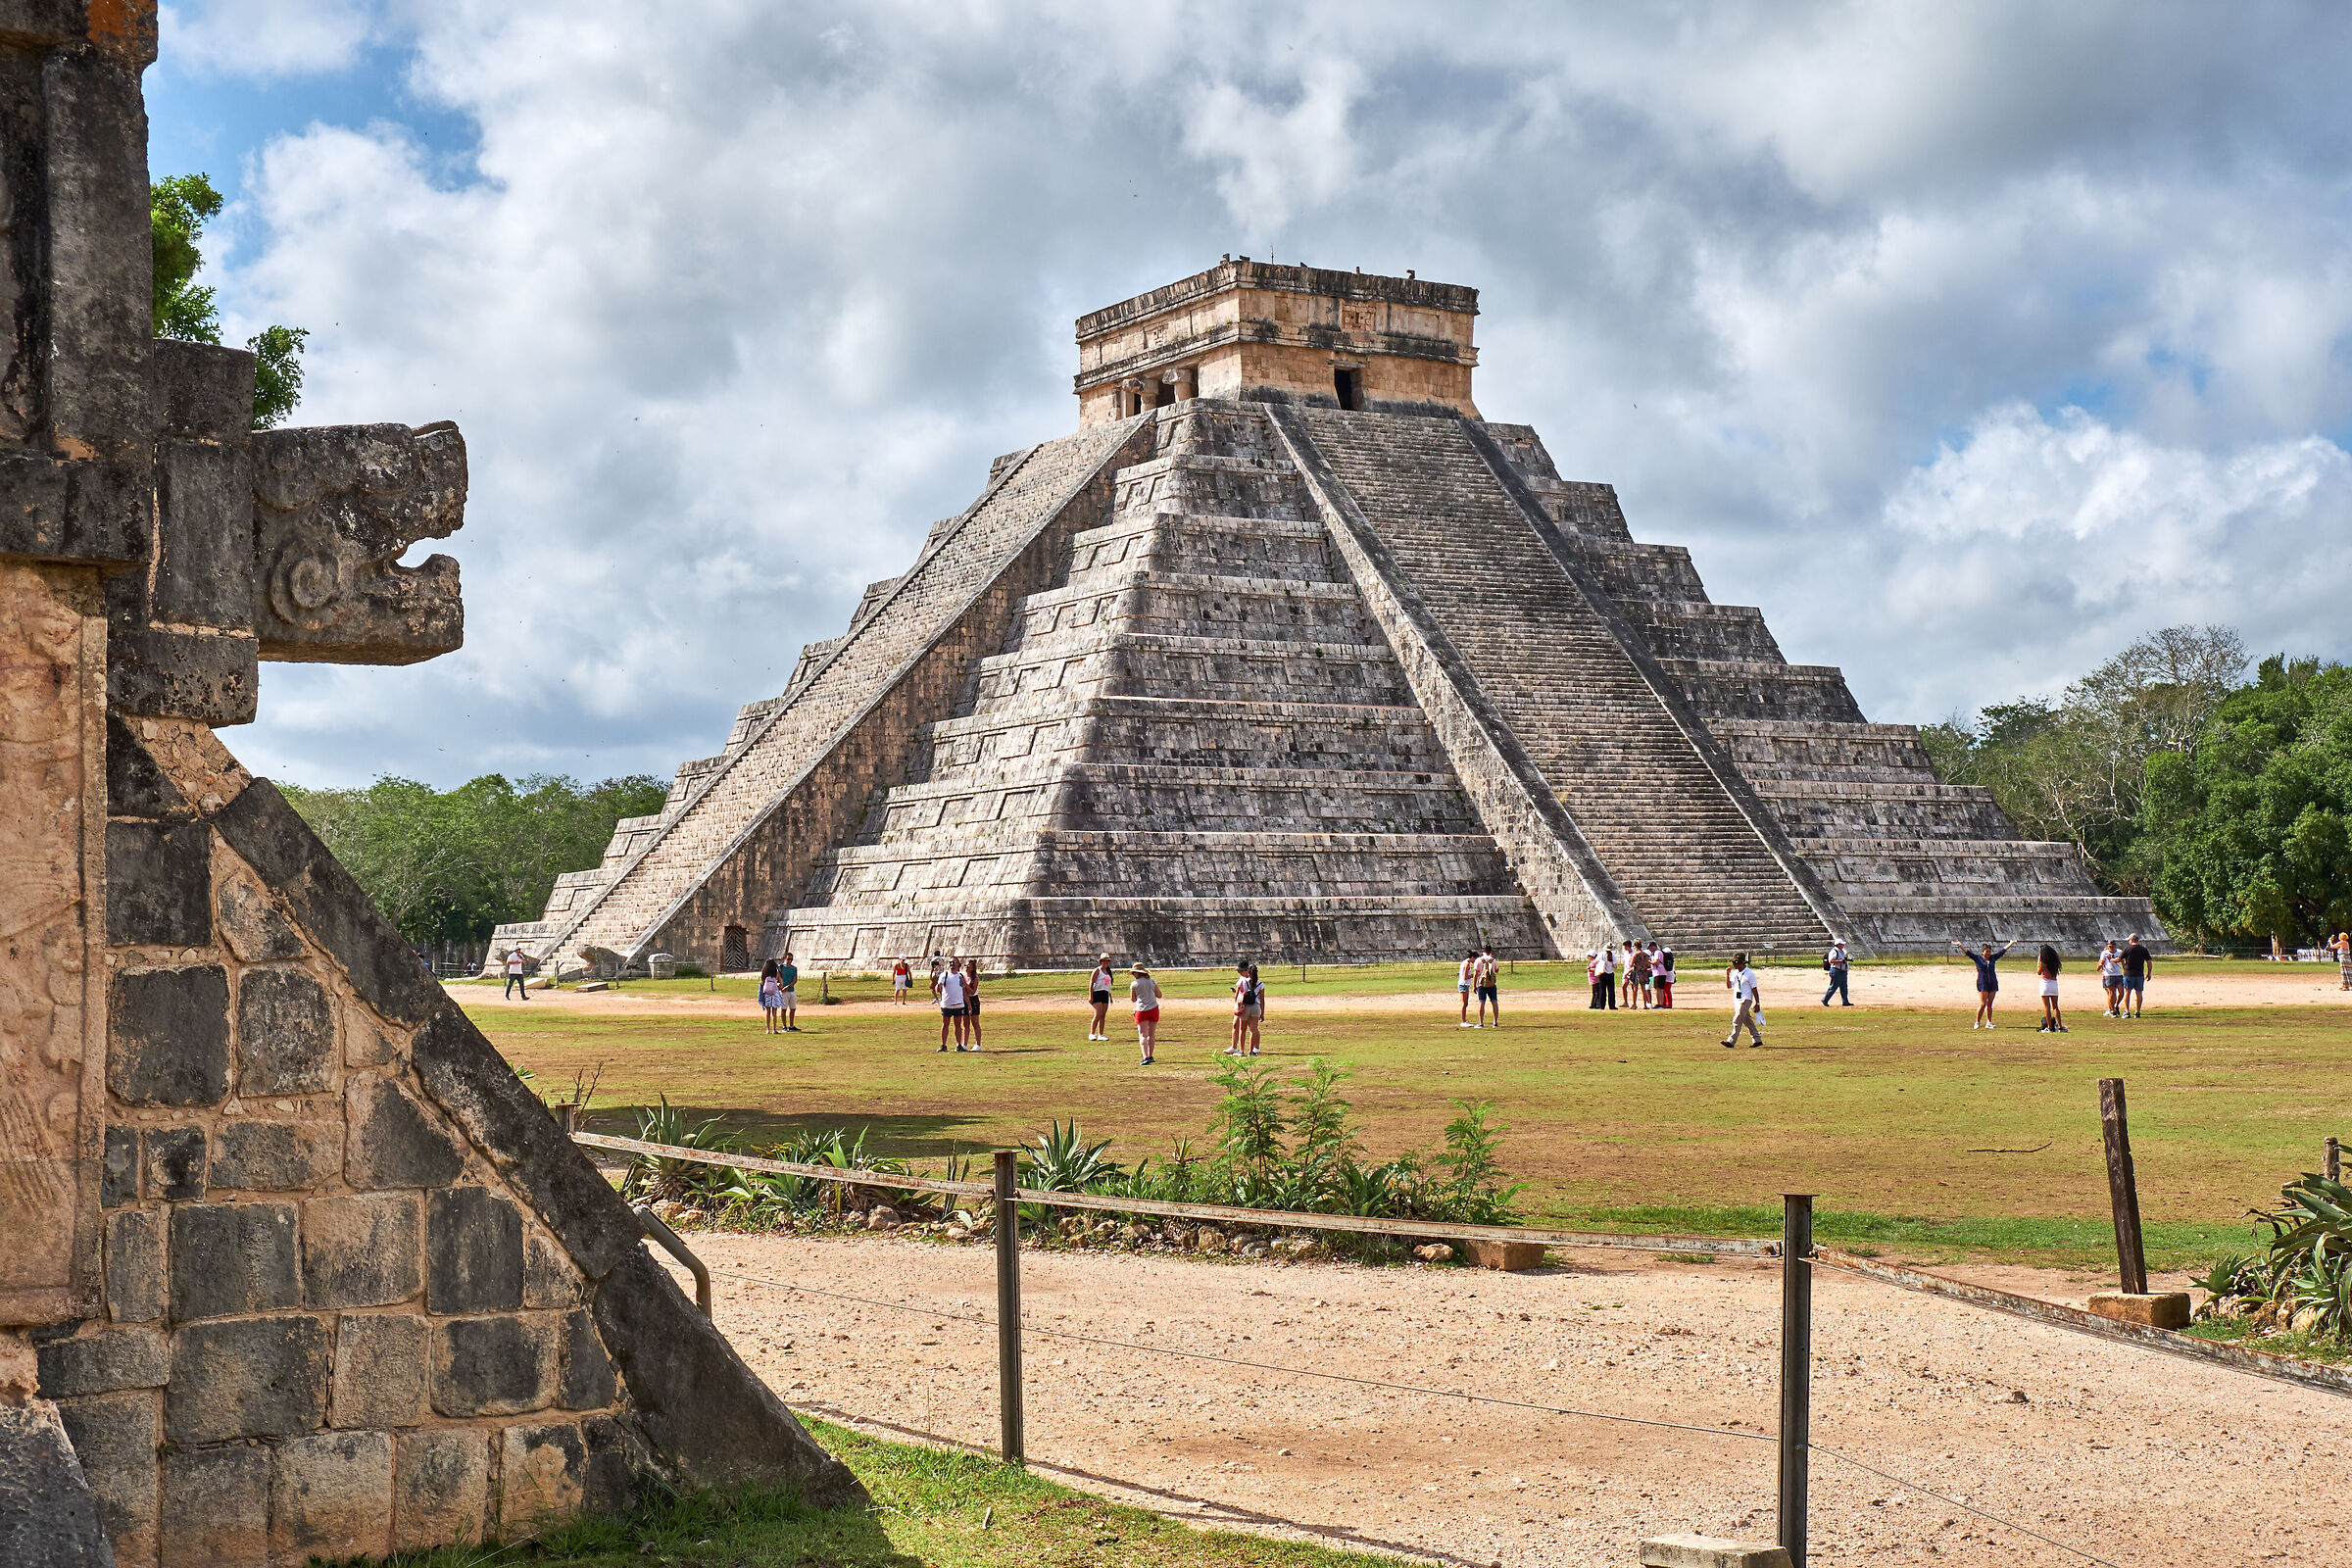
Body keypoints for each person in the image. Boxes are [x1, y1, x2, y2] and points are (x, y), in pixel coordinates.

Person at [1951, 937, 2017, 1028]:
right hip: (1983, 983)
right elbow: (1967, 952)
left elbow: (2002, 951)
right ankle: (1977, 1022)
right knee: (1983, 1004)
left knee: (1990, 1004)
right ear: (1982, 952)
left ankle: (1989, 1022)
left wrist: (2011, 943)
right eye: (1987, 951)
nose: (1988, 953)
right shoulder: (1978, 959)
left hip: (1993, 983)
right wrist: (1959, 945)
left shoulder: (1993, 958)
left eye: (1989, 951)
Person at [1722, 953, 1764, 1048]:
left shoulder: (1749, 974)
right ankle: (1757, 1039)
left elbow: (1754, 989)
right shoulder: (1735, 973)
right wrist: (1727, 974)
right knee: (1747, 1020)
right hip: (1737, 1000)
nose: (1735, 965)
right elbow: (1729, 986)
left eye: (1737, 963)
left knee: (1738, 1018)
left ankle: (1731, 1041)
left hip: (1746, 999)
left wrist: (1757, 1002)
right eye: (1734, 963)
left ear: (1742, 963)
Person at [1130, 962, 1161, 1064]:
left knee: (1143, 1034)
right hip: (1153, 1008)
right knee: (1151, 1034)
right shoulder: (1152, 981)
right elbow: (1159, 995)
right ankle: (1151, 1055)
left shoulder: (1134, 984)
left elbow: (1133, 999)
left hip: (1141, 1010)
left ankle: (1145, 1056)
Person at [936, 959, 968, 1053]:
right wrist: (938, 986)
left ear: (958, 964)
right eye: (950, 962)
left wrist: (968, 1004)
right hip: (947, 1004)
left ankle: (959, 1045)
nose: (952, 964)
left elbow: (964, 991)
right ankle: (943, 1045)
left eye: (954, 962)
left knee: (958, 1025)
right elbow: (939, 986)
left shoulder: (961, 976)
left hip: (958, 1004)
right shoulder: (944, 975)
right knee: (945, 1025)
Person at [2119, 933, 2152, 1018]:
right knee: (2139, 993)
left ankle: (2127, 1011)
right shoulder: (2143, 949)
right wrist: (2149, 972)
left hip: (2128, 974)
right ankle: (2137, 1012)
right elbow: (2149, 961)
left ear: (2131, 940)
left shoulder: (2127, 949)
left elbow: (2119, 959)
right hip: (2139, 974)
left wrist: (2111, 960)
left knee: (2127, 992)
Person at [1088, 955, 1115, 1041]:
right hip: (1097, 993)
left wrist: (1110, 996)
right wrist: (1090, 996)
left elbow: (1108, 985)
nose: (1106, 963)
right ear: (1101, 962)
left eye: (1107, 961)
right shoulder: (1097, 970)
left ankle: (1101, 1034)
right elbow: (1091, 983)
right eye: (1104, 961)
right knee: (1098, 1014)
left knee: (1103, 1015)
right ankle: (1092, 1033)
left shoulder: (1108, 972)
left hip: (1105, 994)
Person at [1474, 946, 1500, 1027]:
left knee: (1481, 1002)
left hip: (1482, 984)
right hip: (1492, 984)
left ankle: (1481, 1022)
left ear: (1483, 951)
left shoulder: (1478, 960)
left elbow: (1476, 973)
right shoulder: (1493, 960)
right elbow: (1496, 970)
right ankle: (1495, 1022)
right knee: (1494, 1002)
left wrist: (1474, 985)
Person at [775, 951, 801, 1032]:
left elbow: (795, 979)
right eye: (788, 959)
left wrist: (789, 986)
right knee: (784, 1009)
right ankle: (784, 1026)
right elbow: (776, 978)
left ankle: (791, 1025)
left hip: (791, 990)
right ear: (785, 959)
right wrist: (780, 986)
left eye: (791, 959)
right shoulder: (781, 967)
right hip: (783, 991)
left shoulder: (794, 968)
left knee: (793, 1008)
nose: (789, 961)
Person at [1821, 940, 1851, 1006]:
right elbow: (1831, 961)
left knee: (1844, 987)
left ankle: (1845, 1001)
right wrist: (1841, 961)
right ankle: (1825, 999)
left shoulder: (1841, 951)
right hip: (1836, 971)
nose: (1843, 945)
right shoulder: (1834, 951)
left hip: (1842, 971)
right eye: (1842, 944)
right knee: (1833, 987)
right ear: (1838, 944)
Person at [2098, 941, 2125, 1017]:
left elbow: (2122, 961)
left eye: (2112, 946)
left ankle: (2116, 1006)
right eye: (2109, 946)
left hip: (2118, 974)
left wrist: (2125, 969)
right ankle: (2112, 1010)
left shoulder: (2119, 952)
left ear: (2115, 946)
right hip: (2109, 975)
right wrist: (2101, 964)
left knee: (2121, 993)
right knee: (2112, 993)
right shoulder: (2104, 953)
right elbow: (2101, 962)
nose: (2111, 948)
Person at [960, 958, 983, 1051]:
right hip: (965, 1000)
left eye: (968, 966)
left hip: (973, 1000)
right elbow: (964, 992)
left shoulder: (975, 978)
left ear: (972, 968)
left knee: (975, 1022)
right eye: (965, 965)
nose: (966, 967)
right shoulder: (963, 976)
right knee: (965, 1023)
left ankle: (978, 1044)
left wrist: (965, 983)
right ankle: (964, 1044)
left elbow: (972, 992)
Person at [758, 958, 783, 1034]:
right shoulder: (777, 973)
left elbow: (762, 983)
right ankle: (774, 1029)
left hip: (767, 993)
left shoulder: (764, 973)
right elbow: (781, 983)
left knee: (768, 1011)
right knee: (774, 1012)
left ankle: (768, 1029)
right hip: (774, 993)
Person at [1625, 941, 1649, 1009]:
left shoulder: (1635, 955)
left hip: (1636, 972)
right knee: (1643, 988)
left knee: (1635, 988)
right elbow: (1648, 964)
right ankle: (1645, 1004)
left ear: (1636, 947)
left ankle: (1634, 1004)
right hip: (1644, 972)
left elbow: (1631, 964)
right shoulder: (1645, 955)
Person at [1457, 948, 1478, 1027]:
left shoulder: (1464, 962)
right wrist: (1474, 975)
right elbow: (1465, 976)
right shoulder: (1467, 964)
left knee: (1465, 1003)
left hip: (1464, 984)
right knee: (1465, 1003)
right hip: (1464, 984)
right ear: (1472, 957)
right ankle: (1463, 1021)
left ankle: (1464, 1020)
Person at [1651, 941, 1675, 1008]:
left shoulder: (1667, 960)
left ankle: (1668, 1004)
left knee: (1666, 990)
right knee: (1664, 990)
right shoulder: (1669, 960)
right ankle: (1665, 1003)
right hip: (1667, 974)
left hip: (1667, 975)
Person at [1597, 940, 1618, 1010]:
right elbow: (1615, 965)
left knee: (1602, 990)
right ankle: (1612, 1006)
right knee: (1611, 991)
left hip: (1602, 973)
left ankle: (1601, 1005)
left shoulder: (1601, 954)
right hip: (1610, 974)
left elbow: (1597, 961)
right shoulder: (1613, 956)